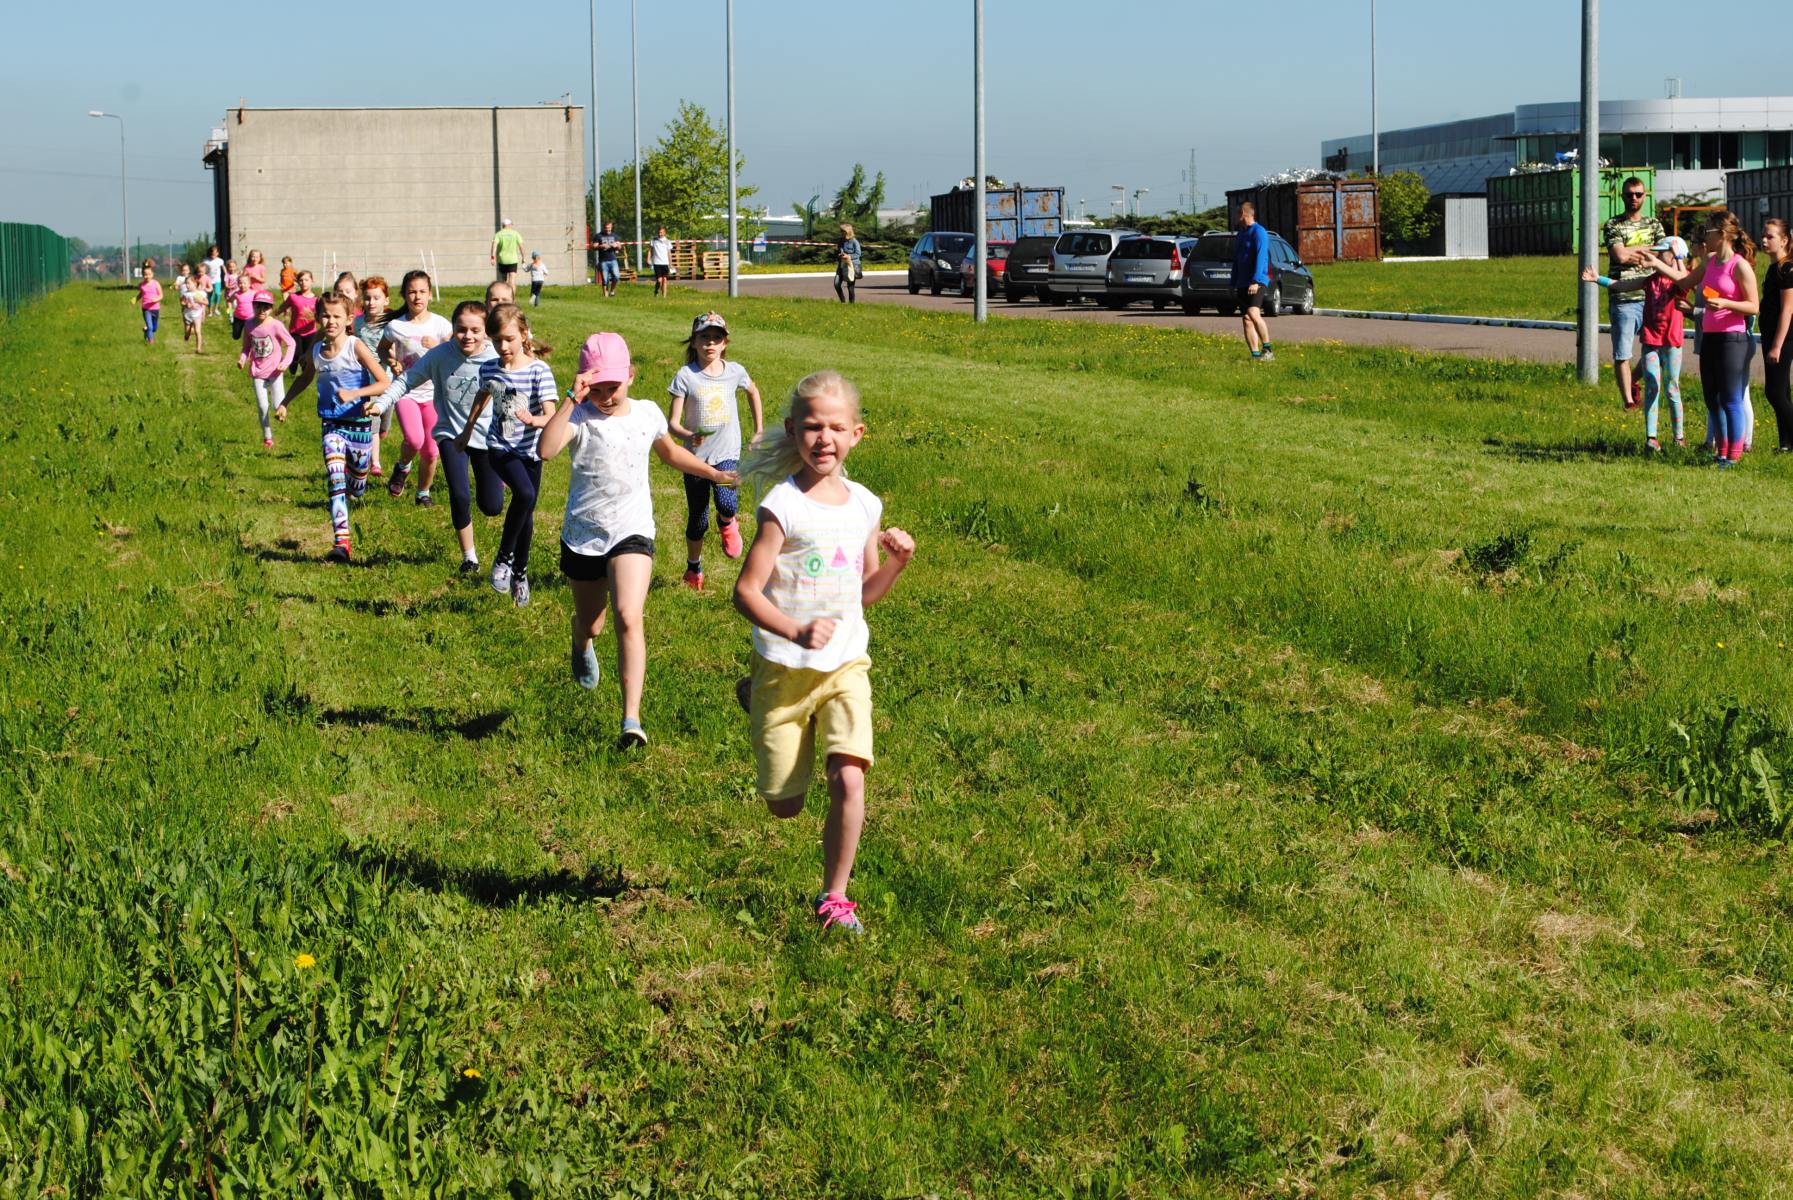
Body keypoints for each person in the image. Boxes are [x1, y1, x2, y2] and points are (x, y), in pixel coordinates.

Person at [731, 370, 916, 935]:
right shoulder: (782, 507)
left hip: (845, 665)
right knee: (784, 805)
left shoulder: (865, 505)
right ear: (793, 430)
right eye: (813, 426)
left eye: (837, 427)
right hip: (785, 668)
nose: (824, 438)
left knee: (848, 780)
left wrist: (896, 564)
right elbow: (745, 592)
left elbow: (863, 593)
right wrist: (793, 631)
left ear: (857, 434)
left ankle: (835, 897)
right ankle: (756, 695)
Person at [538, 332, 737, 749]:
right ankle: (580, 638)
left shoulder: (647, 413)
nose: (606, 397)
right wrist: (572, 399)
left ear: (631, 375)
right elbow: (546, 450)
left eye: (613, 386)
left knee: (629, 615)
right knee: (593, 622)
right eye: (597, 388)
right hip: (584, 535)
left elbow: (670, 454)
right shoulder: (579, 416)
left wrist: (713, 473)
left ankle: (631, 719)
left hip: (632, 530)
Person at [370, 301, 502, 572]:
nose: (468, 336)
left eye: (475, 330)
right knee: (460, 494)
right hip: (450, 434)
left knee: (492, 506)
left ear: (486, 331)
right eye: (461, 329)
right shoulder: (440, 355)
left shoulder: (495, 357)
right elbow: (406, 380)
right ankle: (470, 558)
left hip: (485, 436)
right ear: (452, 328)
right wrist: (381, 404)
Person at [455, 304, 557, 606]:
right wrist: (467, 430)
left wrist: (533, 420)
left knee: (526, 514)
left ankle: (520, 574)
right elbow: (482, 395)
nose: (502, 346)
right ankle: (503, 558)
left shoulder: (539, 370)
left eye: (509, 339)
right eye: (497, 340)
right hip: (499, 447)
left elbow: (551, 415)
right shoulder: (490, 368)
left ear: (524, 335)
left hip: (531, 452)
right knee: (524, 494)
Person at [666, 311, 762, 589]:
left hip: (727, 453)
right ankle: (693, 568)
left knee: (727, 503)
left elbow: (753, 392)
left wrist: (758, 430)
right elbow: (673, 423)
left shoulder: (735, 372)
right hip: (695, 460)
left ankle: (727, 522)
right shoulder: (686, 376)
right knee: (698, 519)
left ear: (725, 343)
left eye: (716, 338)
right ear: (693, 342)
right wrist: (688, 435)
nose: (710, 342)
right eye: (704, 337)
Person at [1657, 213, 1761, 466]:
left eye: (1708, 231)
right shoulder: (1710, 261)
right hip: (1710, 337)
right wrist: (1655, 263)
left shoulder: (1739, 266)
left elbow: (1753, 306)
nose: (1705, 236)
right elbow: (1684, 280)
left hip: (1732, 339)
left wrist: (1725, 303)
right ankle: (1721, 451)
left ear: (1722, 234)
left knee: (1730, 398)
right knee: (1712, 398)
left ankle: (1734, 455)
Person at [1584, 235, 1689, 451]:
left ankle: (1678, 438)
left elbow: (1684, 279)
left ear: (1675, 255)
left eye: (1662, 252)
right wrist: (1598, 279)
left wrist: (1678, 257)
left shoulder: (1679, 281)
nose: (1656, 256)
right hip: (1651, 341)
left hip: (1671, 342)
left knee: (1672, 389)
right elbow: (1622, 285)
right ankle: (1651, 437)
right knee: (1652, 386)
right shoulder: (1649, 280)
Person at [309, 293, 392, 562]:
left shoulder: (356, 346)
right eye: (325, 315)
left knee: (357, 484)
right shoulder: (316, 350)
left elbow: (384, 382)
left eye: (337, 316)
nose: (330, 321)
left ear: (348, 320)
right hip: (331, 424)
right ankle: (341, 542)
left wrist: (356, 394)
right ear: (318, 317)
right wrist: (285, 402)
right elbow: (306, 377)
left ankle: (357, 482)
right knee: (335, 479)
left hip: (359, 427)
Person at [381, 270, 453, 507]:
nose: (417, 296)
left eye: (422, 291)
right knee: (414, 440)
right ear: (404, 295)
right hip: (407, 391)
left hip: (434, 394)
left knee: (431, 451)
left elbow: (455, 353)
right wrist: (392, 361)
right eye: (412, 292)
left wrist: (438, 346)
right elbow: (383, 349)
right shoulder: (395, 326)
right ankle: (403, 467)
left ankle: (423, 493)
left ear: (430, 294)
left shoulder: (441, 325)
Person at [1601, 177, 1667, 412]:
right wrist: (1648, 253)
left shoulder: (1654, 224)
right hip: (1623, 298)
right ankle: (1629, 401)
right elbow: (1619, 255)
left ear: (1644, 196)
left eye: (1638, 194)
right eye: (1629, 194)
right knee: (1623, 352)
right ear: (1622, 196)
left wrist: (1633, 251)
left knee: (1657, 347)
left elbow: (1664, 255)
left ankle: (1633, 380)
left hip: (1652, 296)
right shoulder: (1613, 224)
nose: (1634, 198)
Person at [238, 289, 295, 448]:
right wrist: (242, 359)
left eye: (266, 307)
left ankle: (281, 412)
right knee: (262, 406)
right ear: (253, 306)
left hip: (275, 371)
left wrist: (286, 362)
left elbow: (291, 343)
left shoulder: (276, 325)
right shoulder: (249, 325)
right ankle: (267, 437)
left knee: (278, 406)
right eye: (258, 306)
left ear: (271, 308)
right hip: (257, 372)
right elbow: (246, 347)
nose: (262, 310)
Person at [354, 276, 394, 477]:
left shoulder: (390, 324)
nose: (371, 302)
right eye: (367, 298)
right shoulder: (357, 323)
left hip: (388, 379)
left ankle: (385, 429)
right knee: (373, 423)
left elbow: (395, 347)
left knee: (385, 420)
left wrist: (394, 359)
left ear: (386, 300)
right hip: (367, 382)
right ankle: (375, 463)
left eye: (376, 298)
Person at [1761, 218, 1793, 452]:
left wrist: (1777, 346)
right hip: (1770, 334)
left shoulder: (1787, 269)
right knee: (1782, 391)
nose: (1764, 240)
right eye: (1763, 235)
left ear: (1784, 241)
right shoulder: (1774, 267)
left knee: (1773, 392)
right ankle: (1786, 444)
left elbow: (1787, 309)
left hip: (1782, 338)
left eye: (1770, 236)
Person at [1231, 203, 1273, 362]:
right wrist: (1232, 283)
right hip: (1242, 282)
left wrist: (1255, 281)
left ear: (1243, 213)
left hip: (1257, 281)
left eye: (1237, 214)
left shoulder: (1259, 231)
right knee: (1247, 319)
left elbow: (1261, 257)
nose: (1235, 217)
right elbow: (1236, 260)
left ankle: (1268, 350)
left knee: (1254, 314)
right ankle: (1255, 355)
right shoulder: (1241, 234)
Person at [275, 270, 320, 402]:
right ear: (298, 282)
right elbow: (282, 307)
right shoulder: (293, 297)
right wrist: (274, 315)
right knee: (296, 355)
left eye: (306, 280)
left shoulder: (317, 300)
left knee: (307, 356)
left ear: (312, 281)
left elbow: (321, 315)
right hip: (295, 332)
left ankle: (305, 378)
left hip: (311, 332)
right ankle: (292, 372)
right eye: (301, 280)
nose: (304, 282)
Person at [178, 265, 206, 353]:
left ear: (195, 284)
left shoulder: (199, 293)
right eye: (186, 283)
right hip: (188, 315)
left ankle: (198, 348)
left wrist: (200, 301)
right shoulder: (186, 294)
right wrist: (186, 305)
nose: (187, 285)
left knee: (197, 331)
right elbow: (182, 302)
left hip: (197, 314)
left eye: (189, 283)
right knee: (187, 332)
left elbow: (206, 302)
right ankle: (187, 335)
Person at [491, 218, 525, 285]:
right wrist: (523, 257)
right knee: (512, 280)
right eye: (511, 225)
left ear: (503, 225)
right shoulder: (516, 233)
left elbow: (494, 246)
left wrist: (493, 258)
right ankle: (512, 292)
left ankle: (505, 291)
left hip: (502, 260)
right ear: (509, 225)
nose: (512, 226)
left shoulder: (498, 234)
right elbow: (521, 247)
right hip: (513, 260)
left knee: (504, 280)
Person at [835, 224, 862, 304]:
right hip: (842, 265)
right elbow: (838, 251)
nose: (841, 232)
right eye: (841, 231)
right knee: (836, 284)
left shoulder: (854, 241)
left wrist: (848, 256)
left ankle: (851, 304)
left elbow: (858, 254)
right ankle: (843, 302)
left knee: (850, 287)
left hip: (852, 266)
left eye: (843, 231)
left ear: (848, 231)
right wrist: (840, 254)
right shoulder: (841, 241)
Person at [230, 265, 258, 340]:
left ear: (249, 284)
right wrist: (230, 312)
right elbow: (229, 301)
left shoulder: (254, 293)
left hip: (250, 317)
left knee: (250, 335)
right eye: (240, 283)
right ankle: (236, 332)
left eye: (244, 283)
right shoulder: (236, 294)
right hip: (238, 317)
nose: (242, 285)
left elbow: (260, 301)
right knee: (236, 336)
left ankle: (247, 343)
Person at [136, 263, 162, 344]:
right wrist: (135, 299)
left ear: (152, 274)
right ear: (143, 275)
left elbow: (161, 295)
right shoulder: (142, 285)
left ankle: (146, 331)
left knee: (154, 328)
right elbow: (141, 294)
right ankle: (151, 342)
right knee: (150, 327)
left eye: (149, 274)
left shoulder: (156, 283)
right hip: (146, 309)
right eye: (145, 274)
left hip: (155, 309)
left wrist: (156, 299)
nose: (147, 276)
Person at [597, 221, 623, 296]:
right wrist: (601, 246)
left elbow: (619, 247)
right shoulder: (598, 236)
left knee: (616, 276)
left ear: (611, 227)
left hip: (613, 260)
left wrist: (617, 246)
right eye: (606, 228)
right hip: (603, 261)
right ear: (604, 228)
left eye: (609, 228)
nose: (608, 229)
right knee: (605, 279)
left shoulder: (615, 236)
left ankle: (612, 291)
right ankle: (605, 296)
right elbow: (593, 246)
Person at [649, 226, 673, 298]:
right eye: (659, 232)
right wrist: (648, 259)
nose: (660, 234)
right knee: (659, 280)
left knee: (665, 279)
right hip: (657, 263)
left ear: (665, 233)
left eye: (661, 232)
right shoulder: (654, 240)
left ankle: (664, 296)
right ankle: (656, 291)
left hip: (665, 263)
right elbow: (650, 250)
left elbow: (669, 253)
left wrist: (670, 264)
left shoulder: (667, 242)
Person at [204, 245, 225, 314]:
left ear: (217, 253)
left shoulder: (220, 261)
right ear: (210, 253)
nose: (213, 255)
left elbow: (223, 267)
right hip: (209, 281)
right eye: (212, 253)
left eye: (215, 253)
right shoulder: (206, 261)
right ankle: (210, 310)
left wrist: (227, 275)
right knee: (210, 296)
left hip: (217, 280)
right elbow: (202, 268)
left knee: (217, 294)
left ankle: (216, 309)